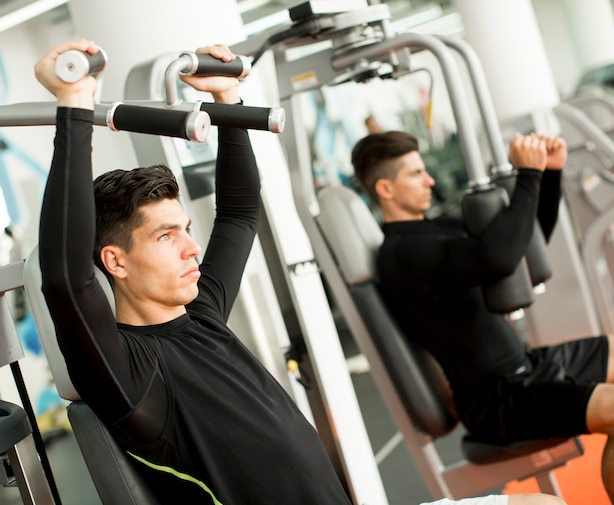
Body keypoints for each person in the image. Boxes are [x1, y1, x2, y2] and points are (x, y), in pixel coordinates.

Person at [33, 38, 565, 505]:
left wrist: (229, 102)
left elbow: (240, 212)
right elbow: (64, 279)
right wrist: (74, 106)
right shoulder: (124, 372)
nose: (192, 248)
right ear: (115, 261)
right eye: (166, 236)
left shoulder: (203, 315)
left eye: (187, 229)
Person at [351, 129, 614, 505]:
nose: (430, 179)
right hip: (500, 402)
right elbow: (496, 258)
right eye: (416, 173)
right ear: (385, 188)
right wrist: (527, 175)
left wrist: (550, 174)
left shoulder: (433, 231)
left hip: (528, 369)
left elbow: (523, 245)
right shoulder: (401, 254)